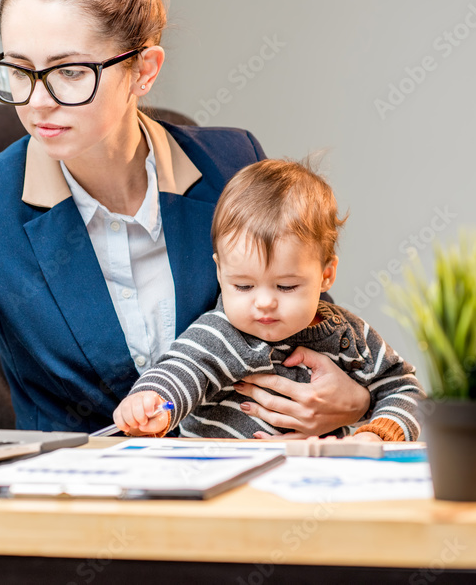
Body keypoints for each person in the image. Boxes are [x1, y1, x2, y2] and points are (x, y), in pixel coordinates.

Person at [0, 0, 370, 435]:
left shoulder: (230, 164)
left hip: (237, 476)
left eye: (70, 72)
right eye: (19, 70)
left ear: (144, 69)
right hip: (70, 495)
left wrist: (355, 397)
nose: (37, 101)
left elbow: (314, 324)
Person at [113, 160, 425, 440]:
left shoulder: (349, 337)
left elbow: (404, 388)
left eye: (286, 286)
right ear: (220, 273)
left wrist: (377, 435)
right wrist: (150, 401)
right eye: (244, 286)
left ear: (327, 275)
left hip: (316, 485)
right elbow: (181, 370)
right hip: (223, 485)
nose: (264, 302)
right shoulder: (220, 333)